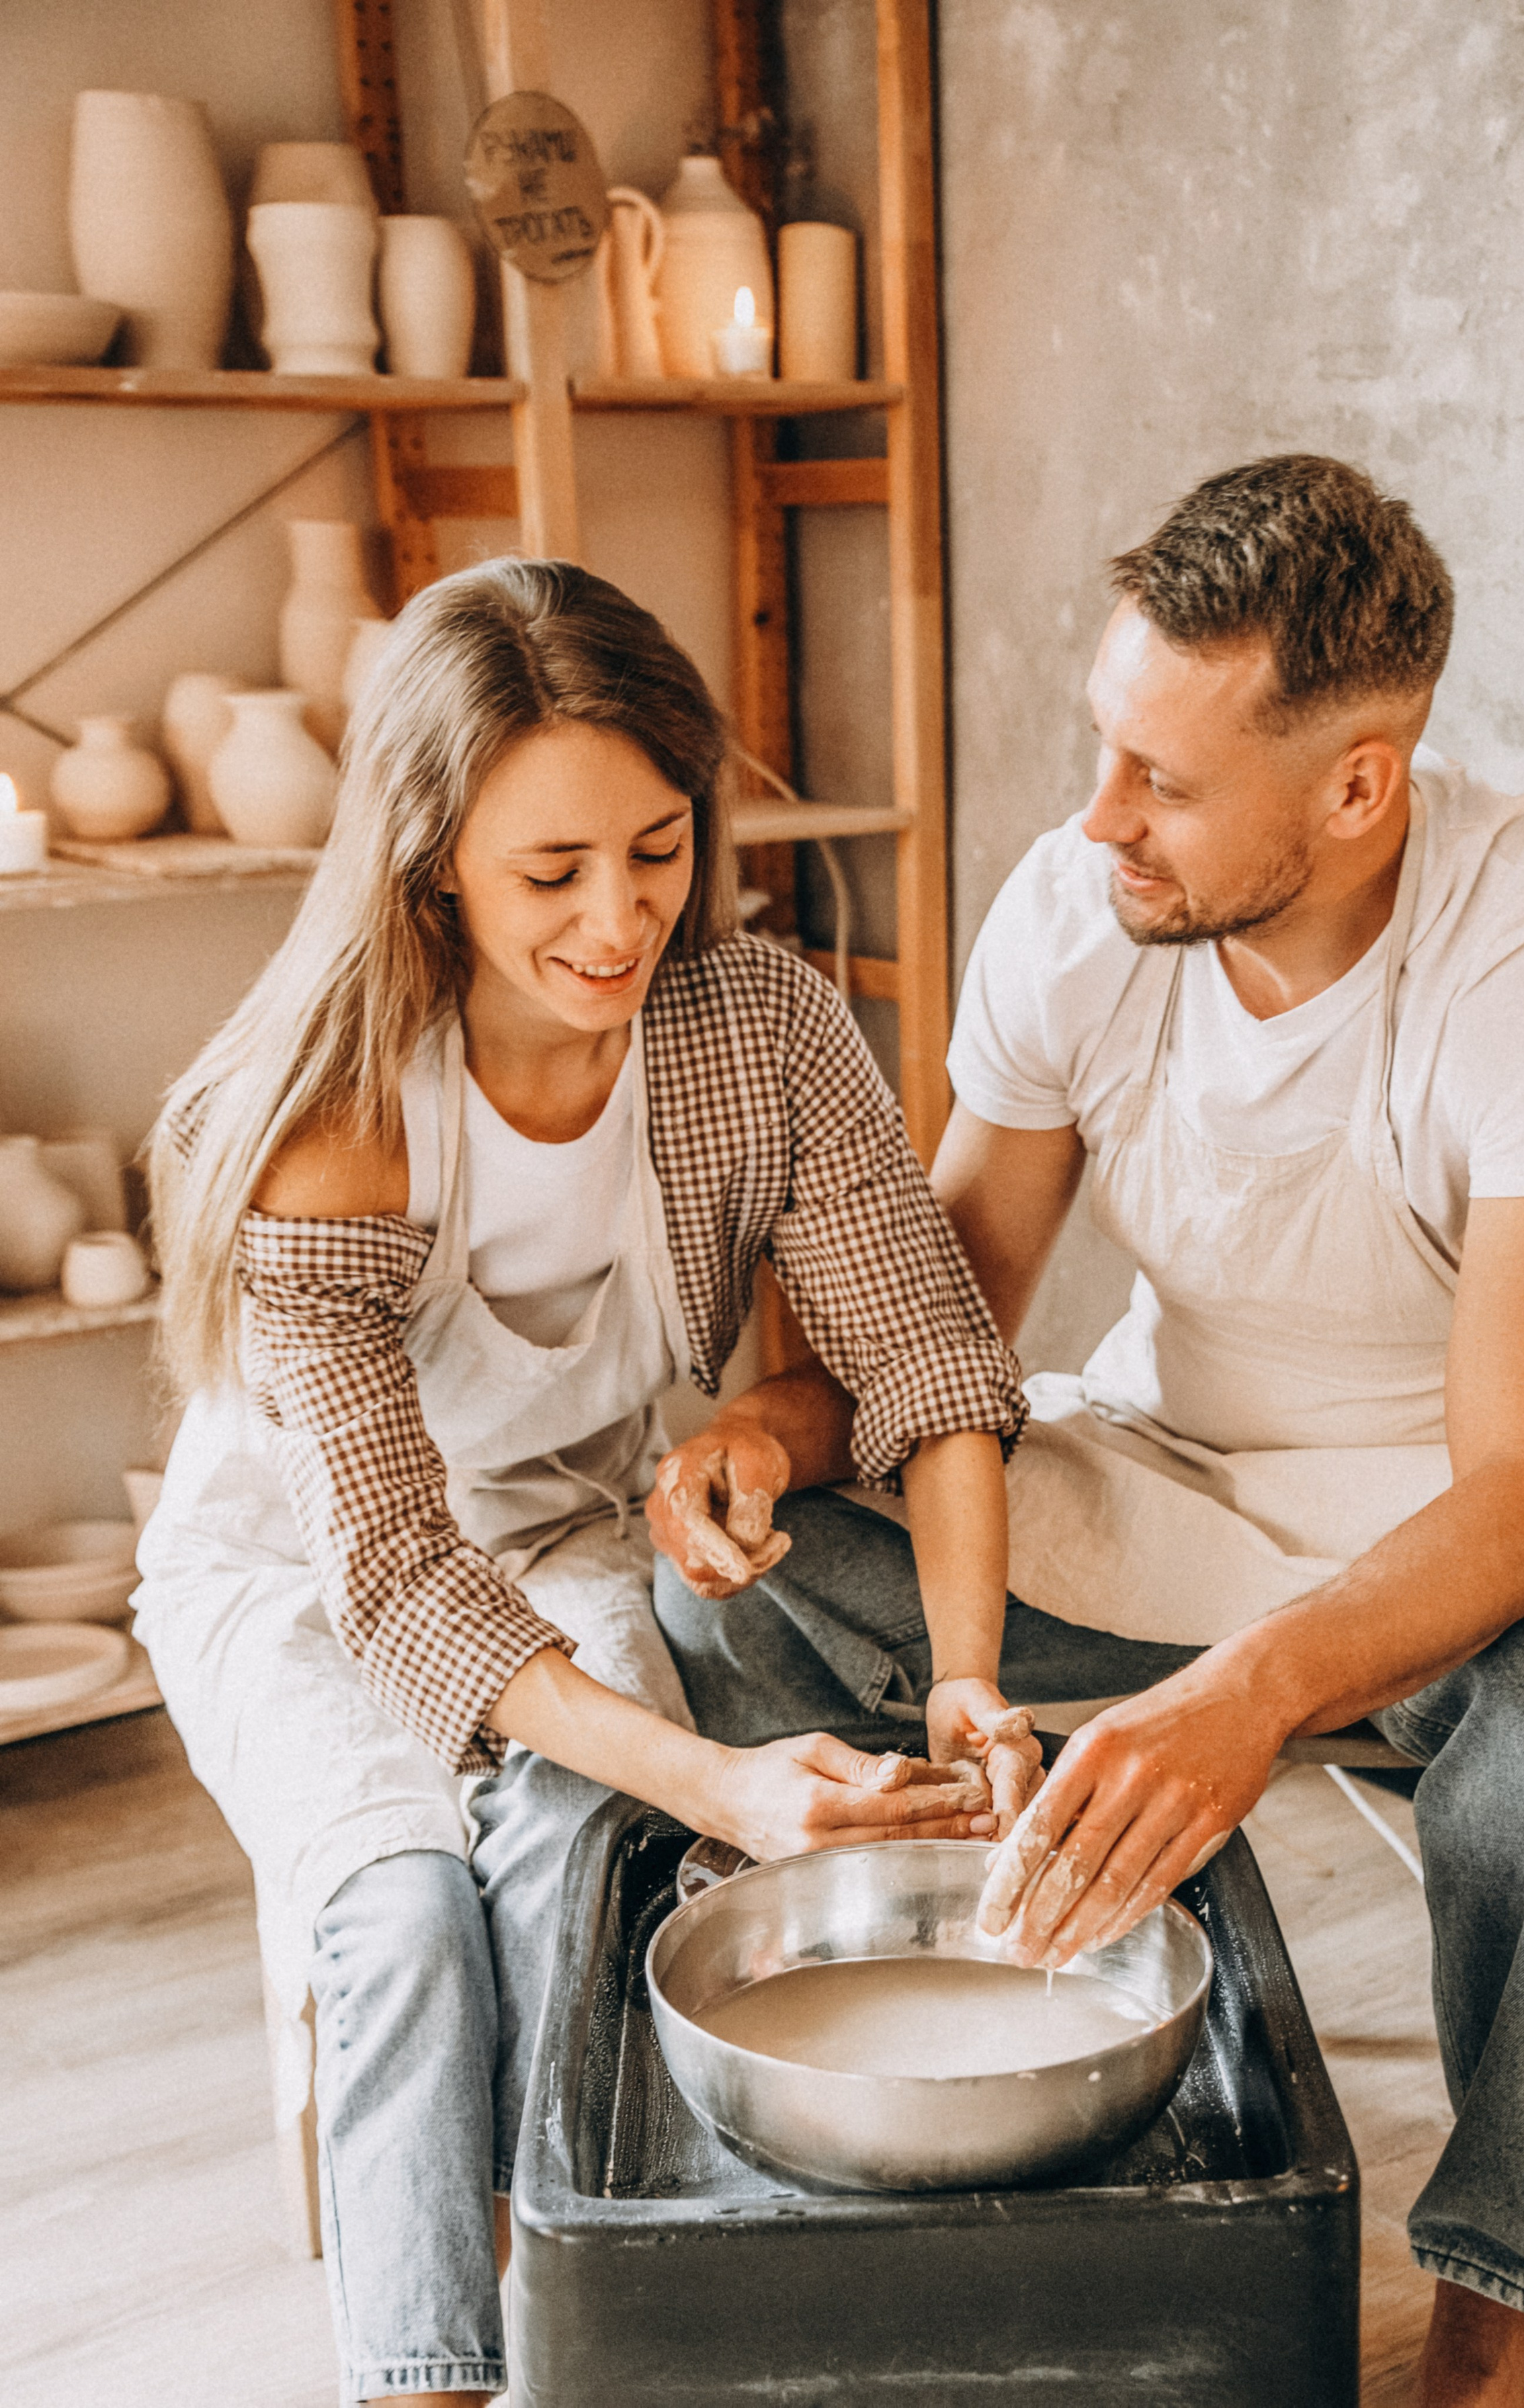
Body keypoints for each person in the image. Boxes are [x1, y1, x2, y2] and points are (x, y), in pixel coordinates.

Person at [652, 457, 1524, 2408]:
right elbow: (947, 1314)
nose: (1095, 817)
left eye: (1164, 780)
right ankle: (914, 2044)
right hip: (1160, 1478)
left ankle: (1490, 2314)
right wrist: (771, 1433)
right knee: (741, 1597)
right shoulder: (1082, 910)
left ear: (1359, 787)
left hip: (1469, 1534)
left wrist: (1238, 1707)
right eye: (1102, 747)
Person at [133, 558, 1030, 2408]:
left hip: (550, 1540)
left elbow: (928, 1362)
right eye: (553, 874)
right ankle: (434, 2379)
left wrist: (966, 1678)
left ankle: (581, 2330)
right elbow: (387, 1576)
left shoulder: (757, 1033)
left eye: (658, 846)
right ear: (429, 854)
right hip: (296, 1578)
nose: (620, 917)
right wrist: (725, 1781)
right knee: (396, 1911)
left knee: (579, 1858)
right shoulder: (334, 1110)